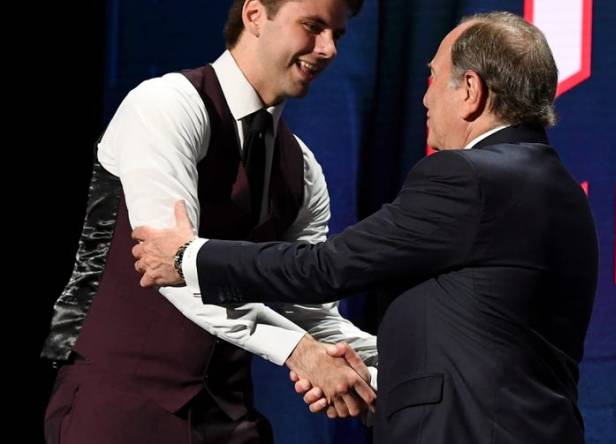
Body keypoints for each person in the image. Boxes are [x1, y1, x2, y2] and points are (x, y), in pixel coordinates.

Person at [133, 11, 599, 444]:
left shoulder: (468, 176)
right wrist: (376, 380)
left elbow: (324, 269)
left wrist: (187, 256)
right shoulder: (563, 193)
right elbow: (481, 339)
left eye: (432, 78)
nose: (423, 97)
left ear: (470, 90)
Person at [41, 1, 378, 443]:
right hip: (119, 410)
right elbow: (170, 270)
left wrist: (394, 368)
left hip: (226, 418)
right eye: (312, 27)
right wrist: (300, 353)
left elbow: (307, 306)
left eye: (338, 34)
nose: (328, 48)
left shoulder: (303, 168)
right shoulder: (166, 105)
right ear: (255, 14)